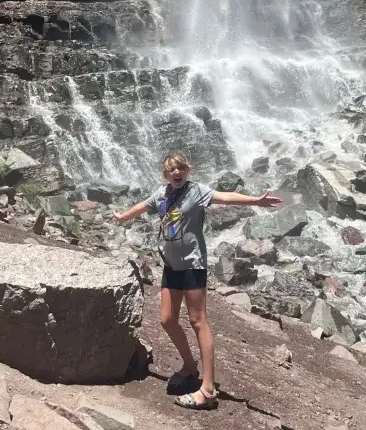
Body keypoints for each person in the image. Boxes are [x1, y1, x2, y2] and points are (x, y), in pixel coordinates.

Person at [113, 151, 283, 411]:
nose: (177, 172)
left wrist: (255, 202)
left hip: (193, 264)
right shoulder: (162, 194)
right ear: (166, 174)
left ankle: (208, 389)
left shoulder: (197, 191)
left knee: (198, 321)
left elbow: (224, 197)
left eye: (180, 168)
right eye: (172, 170)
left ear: (187, 170)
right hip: (170, 266)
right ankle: (190, 367)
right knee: (167, 319)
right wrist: (123, 216)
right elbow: (143, 206)